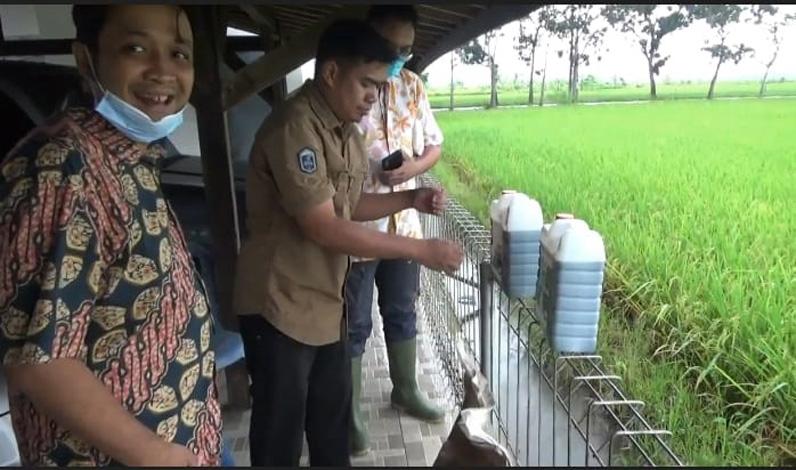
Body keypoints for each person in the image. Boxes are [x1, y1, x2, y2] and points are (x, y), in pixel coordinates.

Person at [233, 19, 464, 467]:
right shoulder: (295, 127)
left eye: (379, 87)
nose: (373, 97)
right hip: (279, 306)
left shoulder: (346, 133)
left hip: (323, 305)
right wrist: (422, 251)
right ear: (332, 73)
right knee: (279, 435)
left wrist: (410, 197)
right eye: (367, 84)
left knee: (330, 428)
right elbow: (323, 226)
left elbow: (349, 204)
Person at [0, 5, 221, 466]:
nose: (163, 70)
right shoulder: (62, 168)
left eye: (179, 53)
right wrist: (155, 454)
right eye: (136, 48)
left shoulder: (125, 155)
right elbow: (40, 363)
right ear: (86, 59)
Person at [346, 5, 447, 456]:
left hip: (403, 223)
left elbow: (434, 145)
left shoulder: (413, 86)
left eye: (406, 49)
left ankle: (404, 389)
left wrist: (414, 167)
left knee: (403, 310)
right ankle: (349, 417)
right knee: (354, 324)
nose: (398, 57)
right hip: (355, 226)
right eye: (390, 48)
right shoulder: (345, 82)